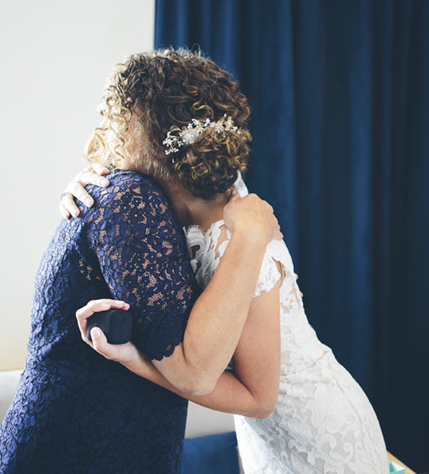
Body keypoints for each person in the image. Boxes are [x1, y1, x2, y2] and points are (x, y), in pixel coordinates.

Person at [63, 48, 389, 473]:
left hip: (320, 438)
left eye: (123, 132)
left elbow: (259, 399)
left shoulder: (236, 240)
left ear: (157, 148)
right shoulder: (208, 198)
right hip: (274, 438)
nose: (114, 146)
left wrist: (134, 360)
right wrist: (80, 185)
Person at [0, 49, 281, 474]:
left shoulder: (175, 201)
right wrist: (251, 237)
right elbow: (195, 373)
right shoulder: (129, 198)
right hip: (75, 454)